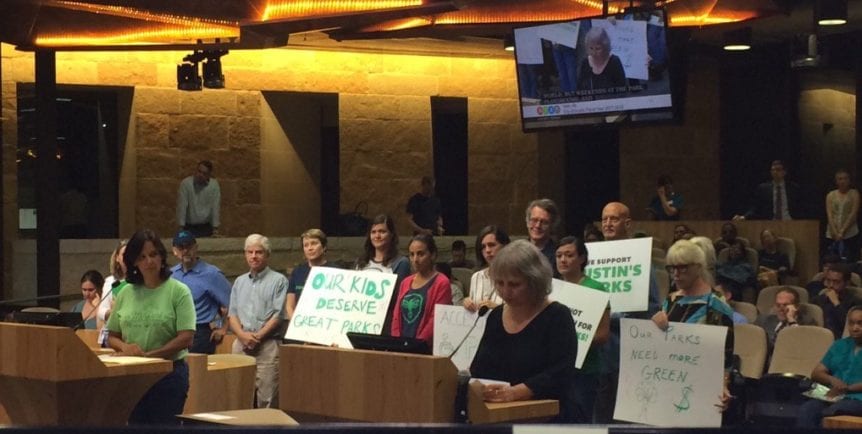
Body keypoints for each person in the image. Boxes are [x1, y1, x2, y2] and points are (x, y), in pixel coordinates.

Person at [469, 240, 578, 420]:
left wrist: (516, 392)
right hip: (499, 416)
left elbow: (560, 372)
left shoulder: (557, 316)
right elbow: (480, 367)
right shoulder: (496, 316)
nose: (505, 292)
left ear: (535, 282)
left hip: (548, 419)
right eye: (500, 283)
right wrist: (481, 386)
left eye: (514, 285)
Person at [106, 229, 196, 425]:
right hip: (133, 375)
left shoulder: (179, 291)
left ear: (162, 257)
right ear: (134, 263)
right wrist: (125, 348)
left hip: (169, 375)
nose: (149, 261)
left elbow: (186, 337)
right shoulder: (125, 293)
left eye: (154, 254)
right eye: (142, 257)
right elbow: (111, 335)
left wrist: (150, 356)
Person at [594, 201, 660, 423]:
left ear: (628, 224)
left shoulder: (640, 259)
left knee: (623, 420)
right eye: (604, 219)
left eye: (614, 219)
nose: (608, 223)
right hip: (597, 353)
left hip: (626, 350)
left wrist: (613, 317)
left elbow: (652, 306)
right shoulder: (591, 259)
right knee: (599, 417)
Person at [651, 239, 735, 415]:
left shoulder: (715, 303)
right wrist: (656, 327)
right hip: (670, 381)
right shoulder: (671, 300)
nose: (676, 274)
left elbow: (726, 352)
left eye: (682, 268)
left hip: (700, 385)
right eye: (672, 268)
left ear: (698, 267)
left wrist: (723, 384)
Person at [228, 234, 288, 408]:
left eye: (259, 252)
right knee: (237, 395)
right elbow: (232, 314)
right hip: (240, 344)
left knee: (267, 398)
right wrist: (242, 336)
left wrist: (256, 337)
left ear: (267, 255)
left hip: (267, 345)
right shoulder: (239, 282)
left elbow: (279, 315)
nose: (254, 256)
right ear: (245, 254)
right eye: (250, 252)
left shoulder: (279, 281)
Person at [556, 235, 610, 423]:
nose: (563, 260)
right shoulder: (552, 289)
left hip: (585, 371)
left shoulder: (596, 288)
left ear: (582, 258)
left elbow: (603, 335)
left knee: (582, 422)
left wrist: (571, 343)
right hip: (557, 369)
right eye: (559, 255)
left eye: (569, 255)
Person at [796, 306, 862, 427]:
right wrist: (832, 380)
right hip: (833, 395)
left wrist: (846, 388)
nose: (855, 328)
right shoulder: (839, 345)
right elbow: (817, 372)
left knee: (833, 411)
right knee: (807, 410)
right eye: (851, 323)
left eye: (860, 323)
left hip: (857, 398)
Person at [169, 230, 231, 354]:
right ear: (174, 251)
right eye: (181, 247)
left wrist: (224, 328)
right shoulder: (171, 274)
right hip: (173, 332)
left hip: (199, 333)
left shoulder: (211, 274)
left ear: (196, 248)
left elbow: (233, 302)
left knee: (196, 371)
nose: (185, 251)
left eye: (189, 246)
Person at [390, 234, 452, 342]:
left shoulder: (442, 282)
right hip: (401, 345)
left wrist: (417, 344)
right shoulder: (406, 282)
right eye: (411, 254)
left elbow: (435, 320)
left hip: (424, 347)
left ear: (432, 255)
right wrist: (396, 341)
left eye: (420, 254)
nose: (415, 259)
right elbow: (396, 316)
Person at [355, 214, 411, 334]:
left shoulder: (401, 263)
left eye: (382, 231)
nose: (377, 236)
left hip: (385, 325)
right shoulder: (360, 262)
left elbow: (398, 299)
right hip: (359, 324)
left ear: (391, 235)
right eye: (373, 232)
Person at [734, 160, 803, 221]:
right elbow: (755, 207)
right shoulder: (763, 189)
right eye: (773, 170)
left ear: (784, 172)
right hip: (770, 223)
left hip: (790, 222)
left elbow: (800, 208)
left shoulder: (793, 188)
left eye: (778, 170)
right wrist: (744, 217)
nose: (775, 172)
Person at [755, 287, 816, 356]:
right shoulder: (763, 320)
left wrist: (791, 320)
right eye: (778, 305)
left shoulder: (808, 323)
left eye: (785, 305)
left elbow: (803, 347)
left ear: (797, 306)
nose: (781, 309)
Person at [463, 225, 511, 312]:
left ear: (505, 247)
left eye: (492, 245)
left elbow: (523, 311)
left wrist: (497, 309)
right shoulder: (476, 277)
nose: (487, 250)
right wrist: (467, 303)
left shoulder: (516, 277)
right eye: (483, 247)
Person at [286, 228, 330, 321]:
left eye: (314, 243)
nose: (310, 248)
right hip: (301, 325)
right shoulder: (297, 272)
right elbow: (290, 305)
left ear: (324, 246)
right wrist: (295, 323)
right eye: (306, 245)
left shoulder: (335, 270)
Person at [813, 264, 862, 340]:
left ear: (846, 283)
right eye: (828, 281)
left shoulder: (855, 302)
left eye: (836, 282)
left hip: (844, 341)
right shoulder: (817, 300)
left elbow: (850, 325)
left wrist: (836, 303)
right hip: (819, 340)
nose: (831, 285)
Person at [176, 160, 221, 237]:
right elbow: (182, 206)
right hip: (189, 227)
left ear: (209, 175)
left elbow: (215, 206)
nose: (200, 175)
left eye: (204, 173)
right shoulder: (186, 184)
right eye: (199, 171)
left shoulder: (214, 186)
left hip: (206, 227)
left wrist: (215, 228)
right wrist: (181, 227)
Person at [576, 26, 626, 93]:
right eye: (591, 48)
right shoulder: (585, 63)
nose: (594, 53)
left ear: (605, 47)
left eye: (598, 48)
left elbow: (622, 89)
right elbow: (580, 90)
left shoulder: (614, 62)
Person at [97, 240, 128, 343]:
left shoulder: (142, 281)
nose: (127, 258)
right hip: (112, 337)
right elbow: (101, 311)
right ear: (117, 258)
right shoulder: (111, 282)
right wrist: (113, 312)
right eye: (124, 254)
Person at [826, 169, 860, 262]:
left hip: (850, 233)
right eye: (840, 179)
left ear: (849, 180)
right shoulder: (830, 195)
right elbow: (829, 214)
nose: (843, 181)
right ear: (836, 181)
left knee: (850, 260)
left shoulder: (854, 193)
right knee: (833, 260)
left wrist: (842, 232)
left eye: (845, 178)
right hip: (833, 233)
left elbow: (853, 214)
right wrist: (835, 232)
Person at [526, 198, 561, 276]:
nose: (538, 226)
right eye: (534, 220)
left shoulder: (559, 254)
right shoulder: (517, 251)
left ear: (552, 226)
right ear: (527, 222)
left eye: (544, 222)